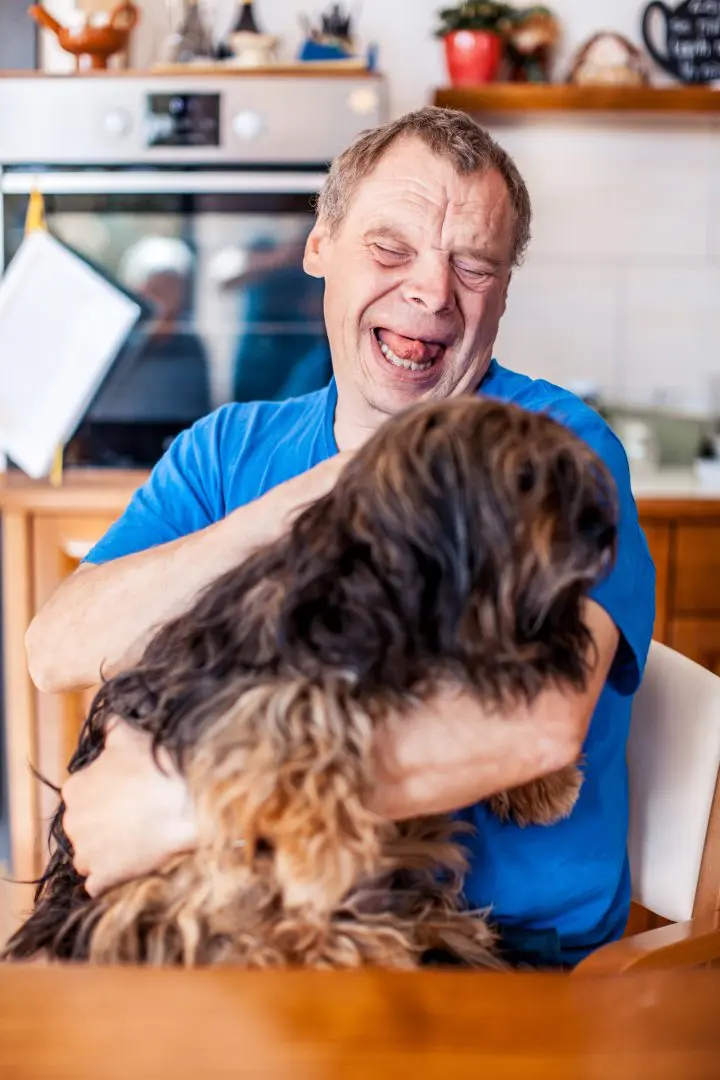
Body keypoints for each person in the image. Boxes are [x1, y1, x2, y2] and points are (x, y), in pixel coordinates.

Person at [25, 106, 655, 969]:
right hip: (255, 939)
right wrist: (335, 489)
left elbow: (535, 734)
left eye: (474, 264)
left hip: (498, 962)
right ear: (319, 246)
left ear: (505, 289)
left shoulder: (552, 453)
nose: (433, 292)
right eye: (391, 250)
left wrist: (187, 805)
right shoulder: (227, 451)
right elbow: (57, 649)